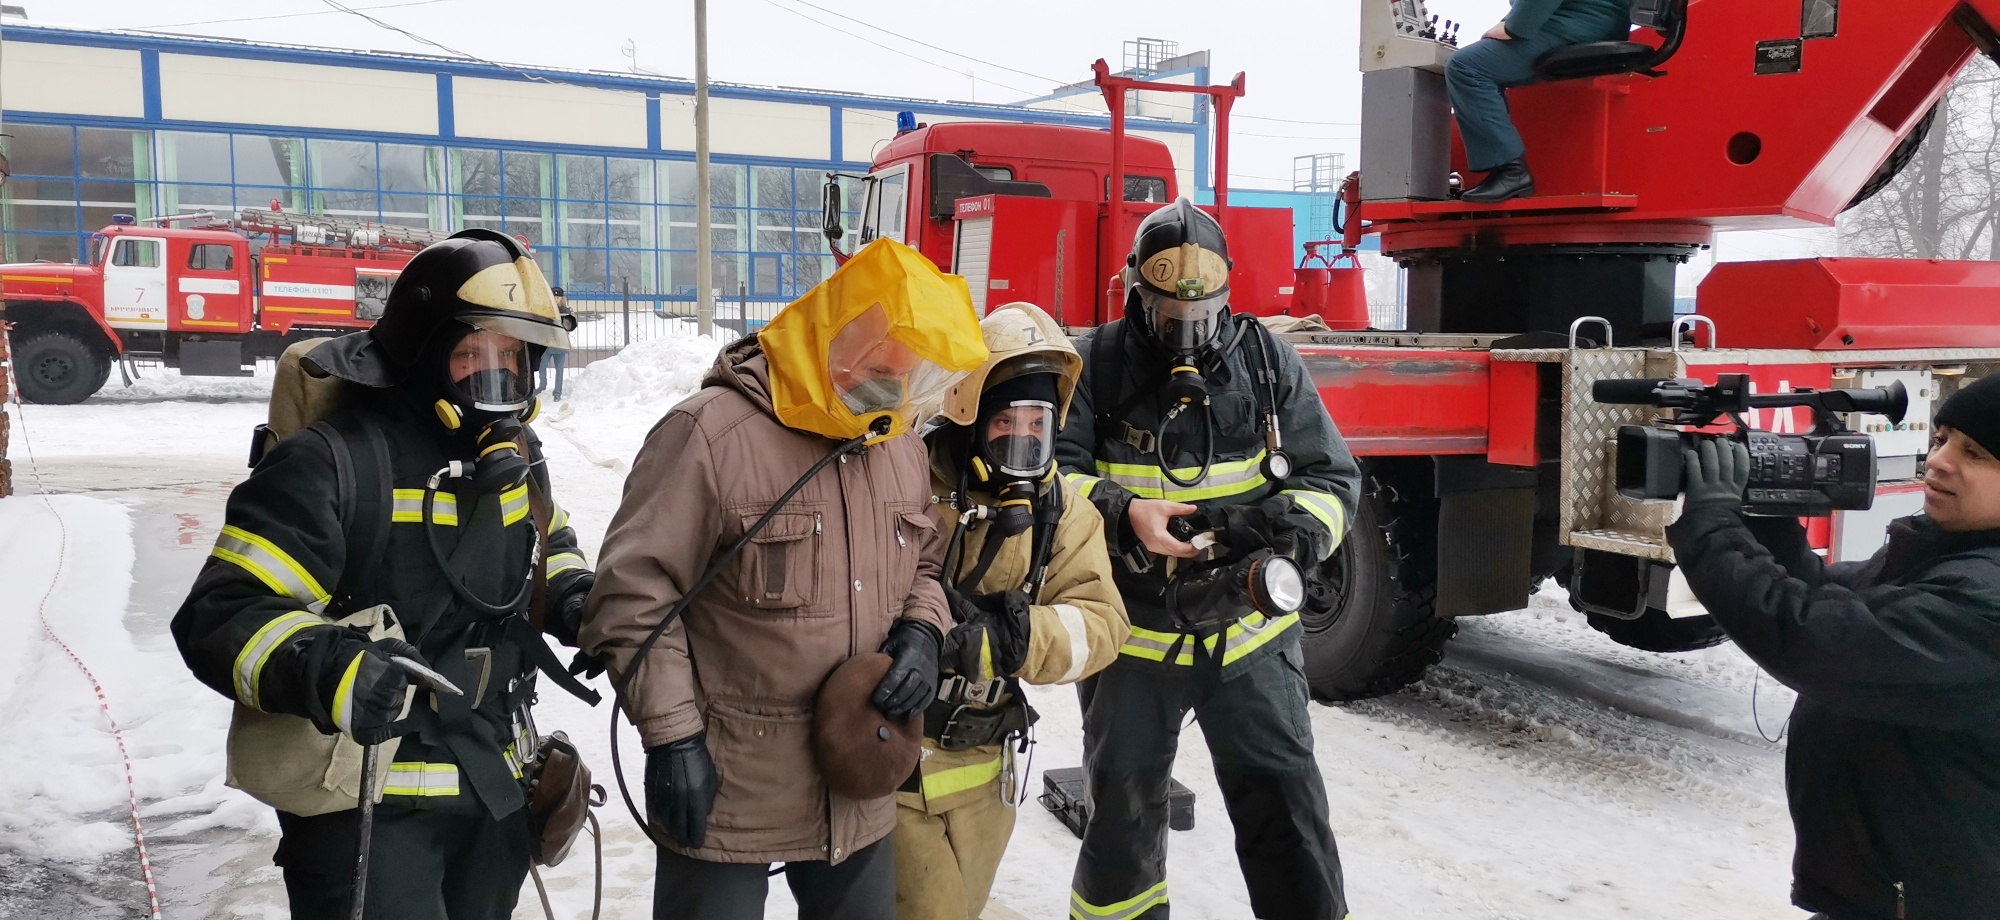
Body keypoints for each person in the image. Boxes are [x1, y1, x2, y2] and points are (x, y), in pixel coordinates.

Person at [172, 229, 598, 920]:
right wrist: (332, 667)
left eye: (511, 357)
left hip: (493, 797)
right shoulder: (330, 466)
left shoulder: (516, 456)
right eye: (470, 355)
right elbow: (222, 613)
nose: (495, 377)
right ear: (423, 355)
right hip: (363, 810)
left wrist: (576, 597)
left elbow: (546, 542)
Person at [580, 237, 988, 920]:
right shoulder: (709, 435)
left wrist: (922, 630)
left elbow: (923, 561)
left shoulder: (898, 448)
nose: (892, 378)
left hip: (858, 780)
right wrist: (674, 735)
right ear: (837, 329)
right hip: (728, 788)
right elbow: (633, 593)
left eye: (910, 367)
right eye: (879, 356)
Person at [1056, 199, 1362, 920]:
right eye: (1168, 318)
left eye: (1201, 317)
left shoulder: (1265, 359)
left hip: (1249, 640)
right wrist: (1122, 511)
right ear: (1135, 289)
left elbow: (1334, 484)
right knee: (1120, 827)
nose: (1186, 335)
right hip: (1132, 643)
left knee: (1288, 817)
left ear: (1229, 294)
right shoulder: (1094, 364)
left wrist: (1275, 534)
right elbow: (1051, 484)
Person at [1666, 374, 2000, 920]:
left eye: (1976, 453)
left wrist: (1712, 528)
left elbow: (1815, 639)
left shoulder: (1984, 603)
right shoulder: (1946, 557)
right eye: (1940, 438)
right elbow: (1825, 599)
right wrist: (1762, 511)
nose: (1938, 461)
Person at [894, 302, 1130, 920]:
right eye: (1005, 420)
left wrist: (1020, 640)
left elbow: (1105, 623)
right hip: (893, 757)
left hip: (983, 770)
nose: (1022, 438)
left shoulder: (1063, 511)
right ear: (969, 418)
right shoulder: (908, 479)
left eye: (1038, 421)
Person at [1445, 0, 1632, 202]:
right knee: (1487, 62)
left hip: (1577, 26)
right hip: (1596, 23)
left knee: (1466, 66)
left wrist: (1514, 28)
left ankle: (1511, 171)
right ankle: (1506, 170)